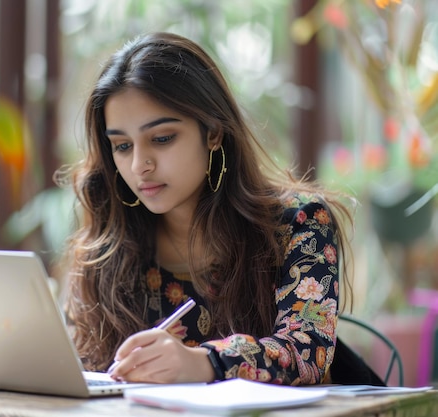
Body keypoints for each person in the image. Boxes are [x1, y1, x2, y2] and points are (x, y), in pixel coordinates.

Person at [57, 32, 367, 386]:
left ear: (213, 132)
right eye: (122, 145)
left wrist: (204, 363)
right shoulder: (108, 246)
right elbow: (87, 367)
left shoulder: (298, 221)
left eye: (161, 139)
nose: (139, 164)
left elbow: (307, 353)